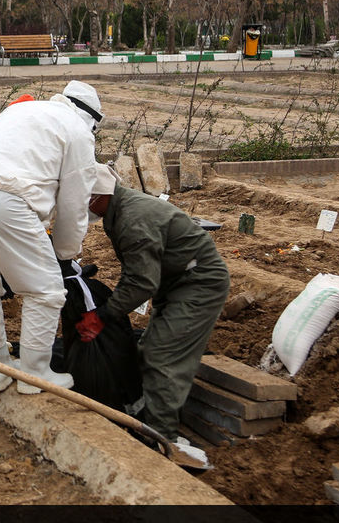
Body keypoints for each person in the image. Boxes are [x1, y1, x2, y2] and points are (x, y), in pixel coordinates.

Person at [0, 80, 103, 394]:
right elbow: (74, 202)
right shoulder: (78, 130)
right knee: (45, 291)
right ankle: (35, 373)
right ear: (91, 119)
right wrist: (64, 253)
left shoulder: (26, 109)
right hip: (7, 200)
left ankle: (0, 369)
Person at [79, 163, 229, 467]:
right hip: (174, 282)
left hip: (198, 284)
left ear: (98, 196)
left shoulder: (133, 218)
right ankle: (155, 418)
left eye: (85, 198)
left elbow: (141, 281)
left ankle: (162, 439)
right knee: (149, 348)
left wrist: (104, 314)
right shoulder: (118, 209)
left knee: (163, 356)